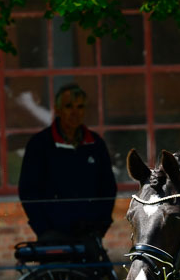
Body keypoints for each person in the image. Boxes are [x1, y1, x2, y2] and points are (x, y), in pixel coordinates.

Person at [18, 83, 117, 253]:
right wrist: (43, 228)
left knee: (91, 279)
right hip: (52, 235)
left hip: (89, 233)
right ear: (57, 109)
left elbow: (108, 187)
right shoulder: (40, 144)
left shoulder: (95, 143)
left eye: (80, 107)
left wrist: (101, 225)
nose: (74, 112)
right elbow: (28, 190)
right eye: (68, 106)